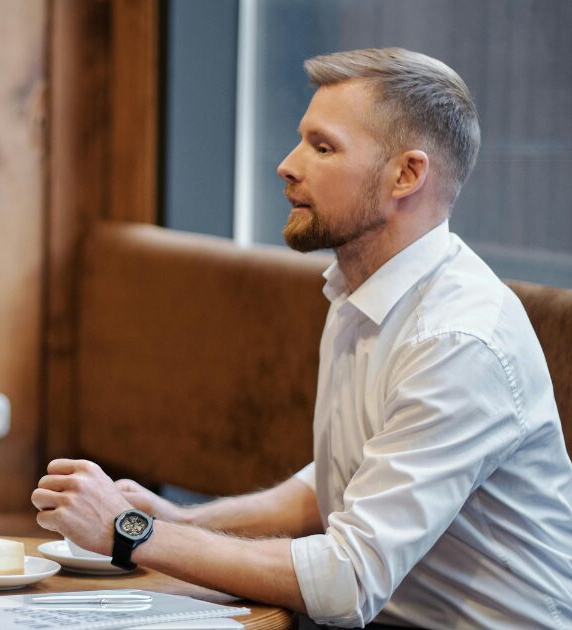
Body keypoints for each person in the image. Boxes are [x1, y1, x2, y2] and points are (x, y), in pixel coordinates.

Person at [32, 47, 572, 628]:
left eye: (323, 147)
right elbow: (337, 483)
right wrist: (180, 522)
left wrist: (129, 532)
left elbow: (346, 582)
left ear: (407, 175)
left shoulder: (457, 342)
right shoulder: (355, 286)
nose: (287, 164)